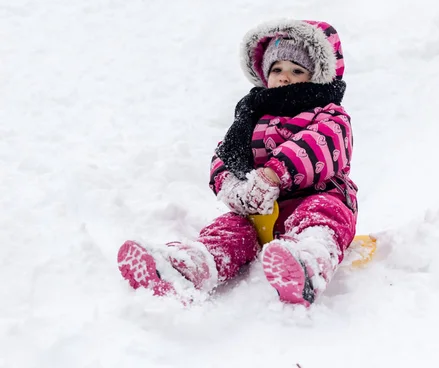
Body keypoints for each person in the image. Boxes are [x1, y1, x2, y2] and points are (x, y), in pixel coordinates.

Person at [117, 19, 358, 307]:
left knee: (322, 218)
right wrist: (231, 186)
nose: (285, 77)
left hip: (318, 195)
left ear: (317, 76)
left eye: (297, 70)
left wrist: (273, 174)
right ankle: (188, 266)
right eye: (277, 69)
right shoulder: (251, 117)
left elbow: (322, 143)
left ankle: (308, 264)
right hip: (260, 211)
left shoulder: (329, 114)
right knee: (230, 231)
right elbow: (226, 155)